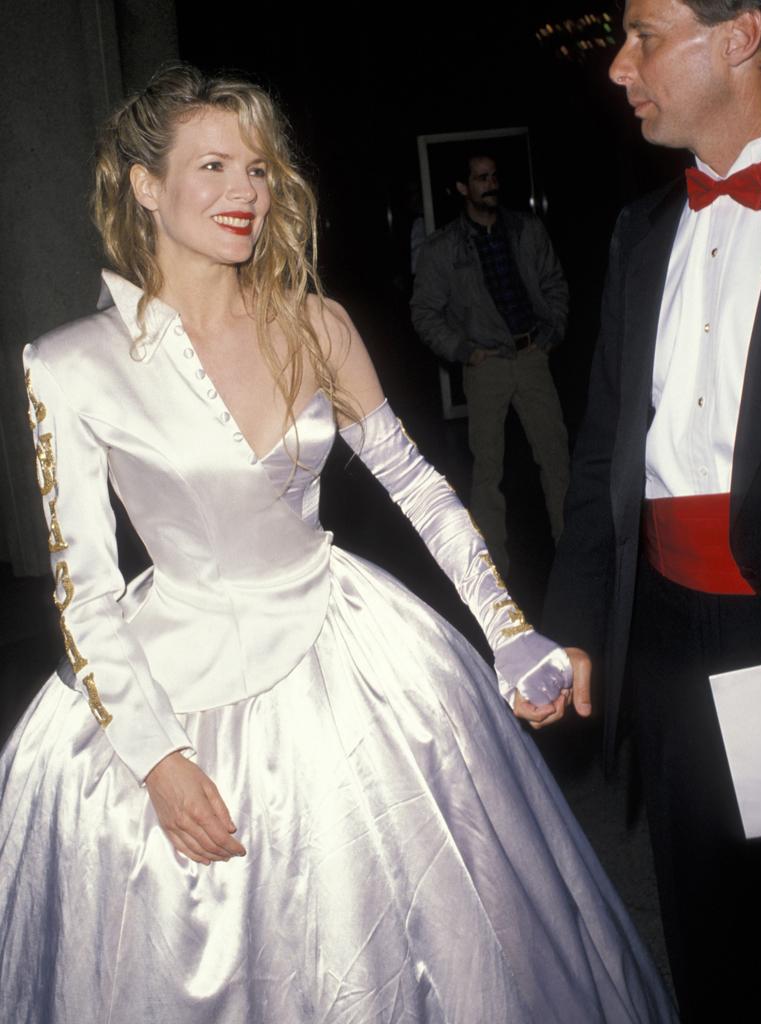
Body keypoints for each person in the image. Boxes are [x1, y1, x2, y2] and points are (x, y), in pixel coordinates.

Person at [0, 64, 676, 1023]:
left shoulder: (317, 324)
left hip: (352, 651)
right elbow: (85, 590)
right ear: (144, 185)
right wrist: (155, 757)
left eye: (262, 170)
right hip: (178, 684)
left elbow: (417, 486)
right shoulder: (71, 365)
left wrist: (508, 626)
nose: (248, 193)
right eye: (216, 166)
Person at [542, 1, 761, 1019]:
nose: (617, 65)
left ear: (741, 35)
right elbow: (600, 462)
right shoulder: (640, 232)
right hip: (666, 634)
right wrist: (580, 628)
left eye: (644, 33)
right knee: (703, 908)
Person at [410, 154, 570, 578]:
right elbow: (424, 311)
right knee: (487, 472)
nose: (491, 184)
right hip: (486, 366)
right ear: (463, 188)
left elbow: (554, 282)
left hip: (532, 355)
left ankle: (572, 556)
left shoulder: (525, 230)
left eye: (495, 176)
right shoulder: (444, 248)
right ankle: (494, 571)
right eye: (481, 178)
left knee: (556, 460)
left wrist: (552, 334)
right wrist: (464, 351)